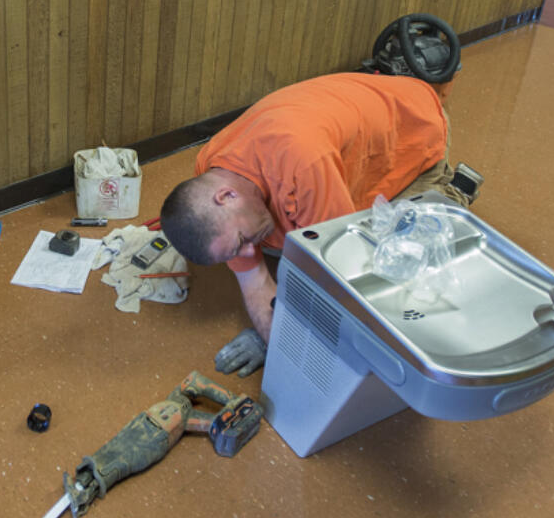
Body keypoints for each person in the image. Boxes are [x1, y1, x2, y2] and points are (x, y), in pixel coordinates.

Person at [159, 71, 473, 377]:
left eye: (242, 241)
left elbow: (341, 282)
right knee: (283, 248)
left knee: (393, 254)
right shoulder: (212, 169)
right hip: (355, 117)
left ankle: (453, 189)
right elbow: (253, 280)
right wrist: (278, 333)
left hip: (415, 127)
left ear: (226, 196)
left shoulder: (303, 169)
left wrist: (273, 341)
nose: (249, 251)